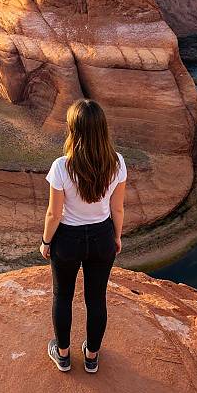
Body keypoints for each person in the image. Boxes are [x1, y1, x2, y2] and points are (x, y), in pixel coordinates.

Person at [40, 98, 127, 374]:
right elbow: (118, 208)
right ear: (102, 129)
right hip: (102, 236)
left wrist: (45, 242)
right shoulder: (117, 163)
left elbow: (54, 214)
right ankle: (91, 357)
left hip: (67, 239)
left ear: (73, 131)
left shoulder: (61, 167)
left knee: (62, 296)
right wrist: (116, 236)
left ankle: (63, 355)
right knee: (96, 299)